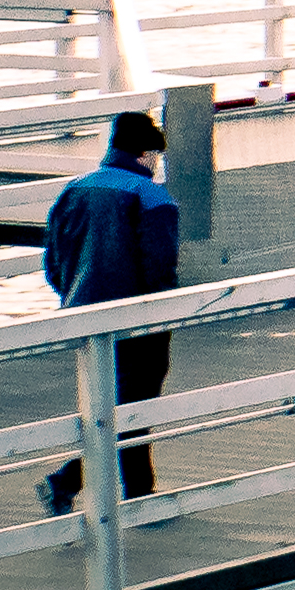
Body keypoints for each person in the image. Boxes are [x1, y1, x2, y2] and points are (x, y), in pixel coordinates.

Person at [41, 111, 182, 514]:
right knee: (135, 406)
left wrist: (74, 293)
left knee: (106, 408)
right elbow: (159, 267)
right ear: (144, 153)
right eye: (155, 153)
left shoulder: (74, 190)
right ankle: (129, 493)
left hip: (83, 316)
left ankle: (90, 484)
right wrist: (164, 311)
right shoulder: (151, 197)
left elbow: (53, 259)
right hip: (138, 320)